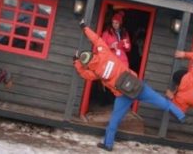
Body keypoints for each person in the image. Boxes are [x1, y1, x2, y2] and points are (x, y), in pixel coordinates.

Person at [73, 20, 185, 152]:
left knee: (114, 120)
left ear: (87, 64)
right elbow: (96, 39)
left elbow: (84, 74)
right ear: (93, 53)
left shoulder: (96, 73)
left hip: (123, 95)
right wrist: (85, 27)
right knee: (159, 100)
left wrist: (76, 62)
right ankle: (180, 114)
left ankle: (108, 144)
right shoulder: (105, 53)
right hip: (136, 86)